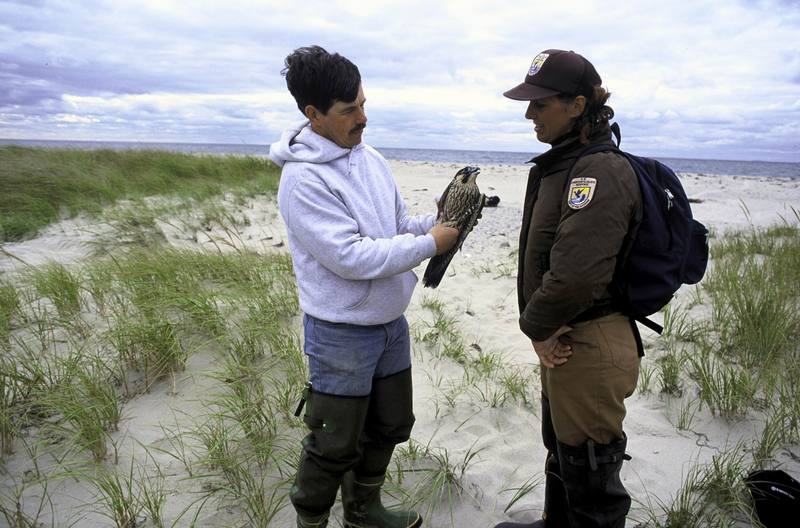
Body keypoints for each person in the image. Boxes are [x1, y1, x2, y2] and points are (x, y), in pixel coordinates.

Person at [268, 45, 459, 528]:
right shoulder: (301, 180)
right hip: (340, 332)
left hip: (390, 324)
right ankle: (310, 521)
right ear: (313, 114)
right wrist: (432, 244)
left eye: (363, 103)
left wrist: (436, 222)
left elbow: (395, 228)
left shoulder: (369, 157)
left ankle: (363, 512)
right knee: (333, 443)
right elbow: (351, 257)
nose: (363, 117)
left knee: (391, 426)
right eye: (349, 110)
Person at [495, 49, 643, 528]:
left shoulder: (598, 169)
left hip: (589, 340)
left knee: (591, 478)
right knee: (561, 449)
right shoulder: (562, 165)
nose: (529, 113)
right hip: (563, 336)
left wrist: (534, 327)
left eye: (540, 103)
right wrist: (541, 330)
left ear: (577, 105)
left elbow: (577, 274)